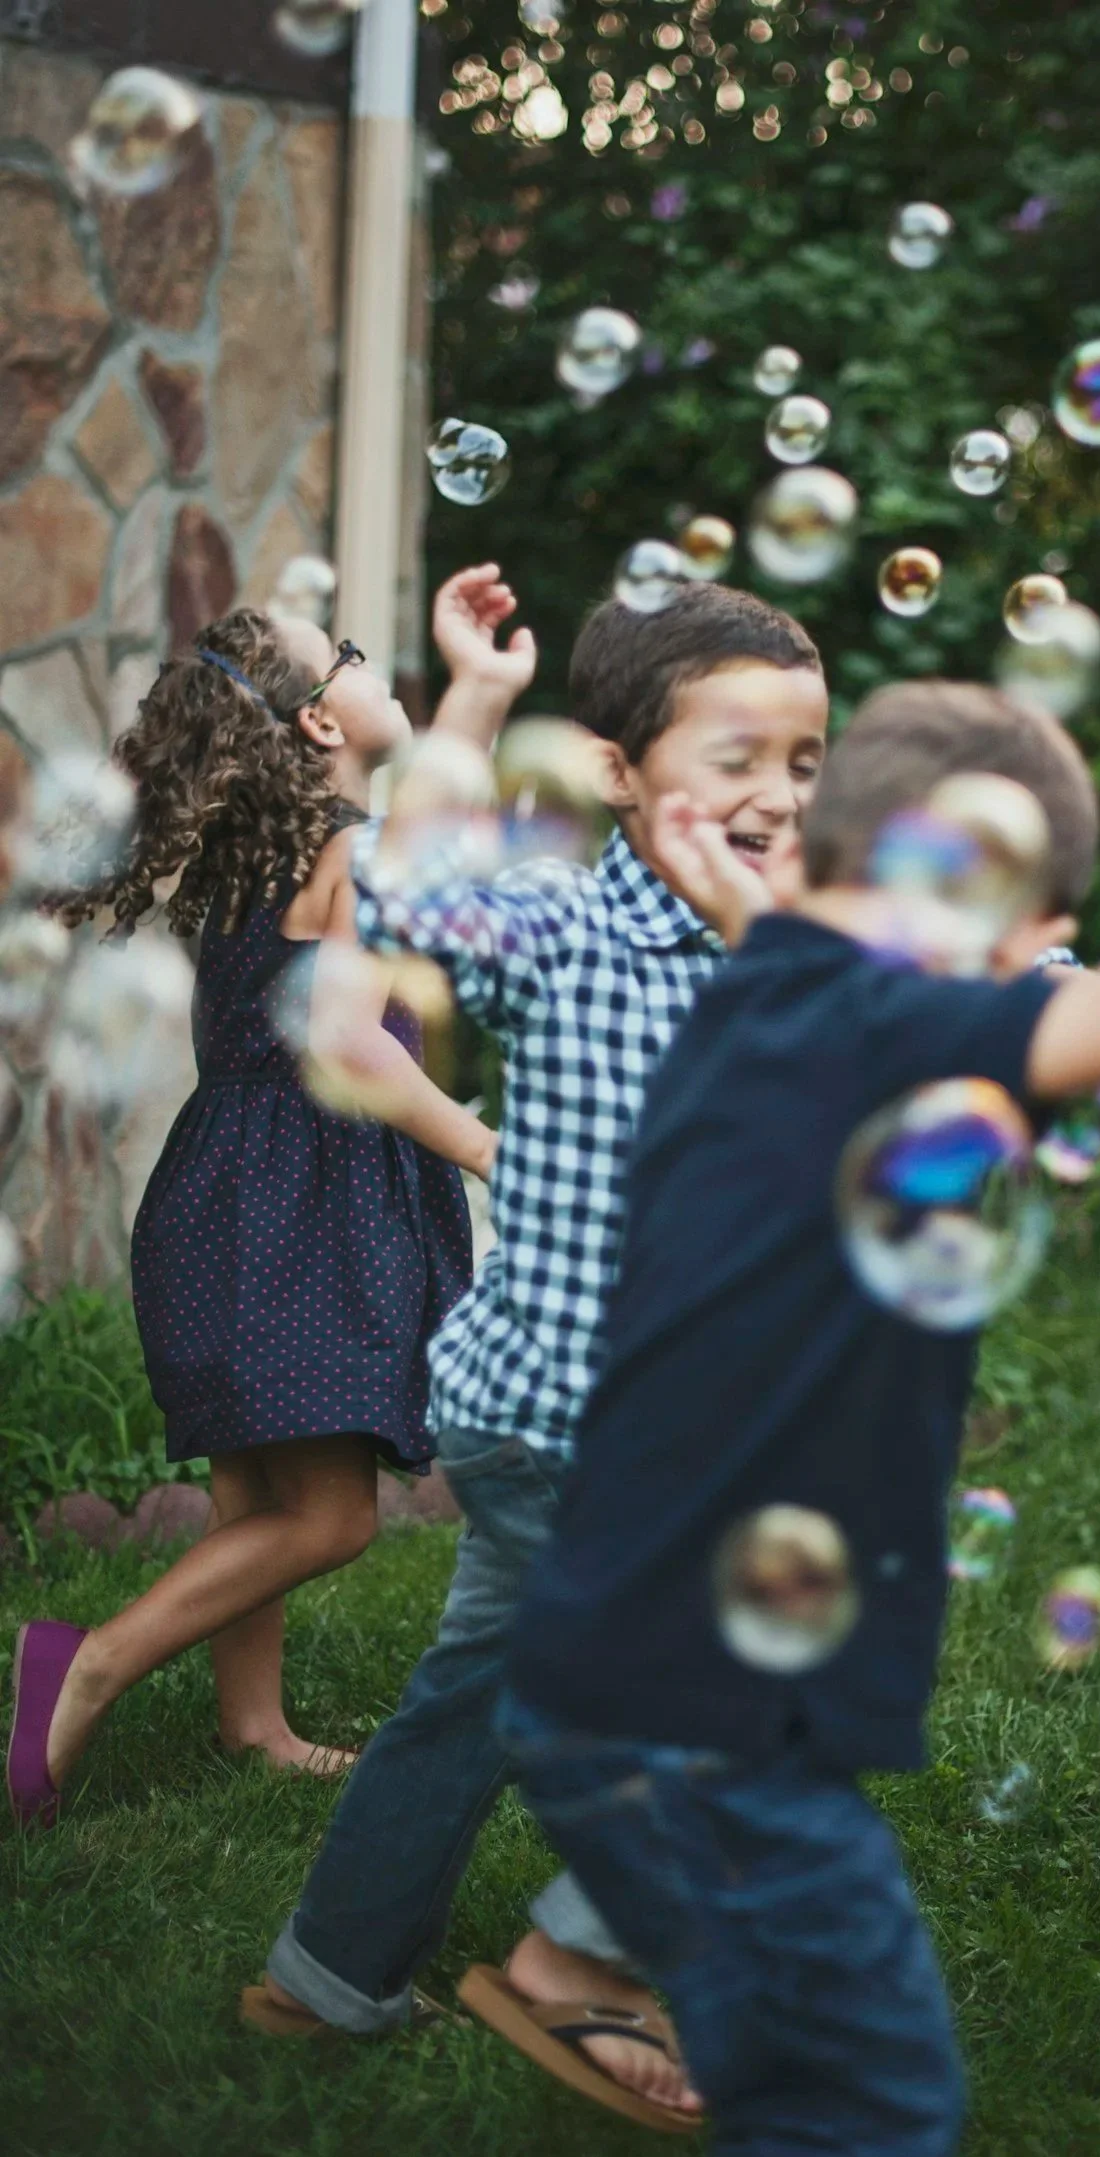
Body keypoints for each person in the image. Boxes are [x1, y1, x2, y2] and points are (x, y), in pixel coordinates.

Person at [494, 538, 1100, 2155]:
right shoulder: (883, 1022)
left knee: (786, 2087)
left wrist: (752, 886)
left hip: (601, 1683)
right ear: (989, 912)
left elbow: (782, 918)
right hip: (711, 1733)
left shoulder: (762, 991)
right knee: (877, 2102)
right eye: (1031, 937)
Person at [250, 576, 829, 2129]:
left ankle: (323, 1974)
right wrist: (475, 702)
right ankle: (581, 1962)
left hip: (628, 1425)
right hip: (568, 1424)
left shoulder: (797, 946)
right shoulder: (565, 924)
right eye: (735, 755)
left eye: (805, 761)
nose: (776, 794)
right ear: (623, 770)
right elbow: (411, 893)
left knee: (473, 1696)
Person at [5, 576, 519, 1828]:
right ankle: (89, 1666)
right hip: (311, 1204)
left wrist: (482, 695)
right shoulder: (353, 851)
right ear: (321, 728)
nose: (367, 655)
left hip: (221, 1195)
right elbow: (360, 1052)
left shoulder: (260, 860)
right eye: (343, 652)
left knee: (260, 1495)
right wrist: (496, 1152)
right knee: (332, 1518)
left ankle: (252, 1723)